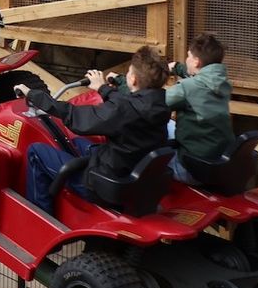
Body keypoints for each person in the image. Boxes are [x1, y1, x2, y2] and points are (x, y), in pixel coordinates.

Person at [16, 47, 170, 215]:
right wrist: (103, 88)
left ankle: (40, 217)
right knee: (77, 142)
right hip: (133, 175)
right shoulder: (160, 104)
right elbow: (127, 104)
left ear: (133, 79)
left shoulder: (122, 111)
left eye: (128, 72)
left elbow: (74, 116)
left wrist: (33, 95)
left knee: (36, 152)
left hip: (106, 185)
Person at [164, 33, 234, 182]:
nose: (186, 59)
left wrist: (123, 84)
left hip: (190, 168)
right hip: (218, 164)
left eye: (188, 56)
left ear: (196, 61)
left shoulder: (187, 88)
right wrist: (177, 68)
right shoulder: (222, 83)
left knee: (147, 149)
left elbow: (151, 104)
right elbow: (202, 79)